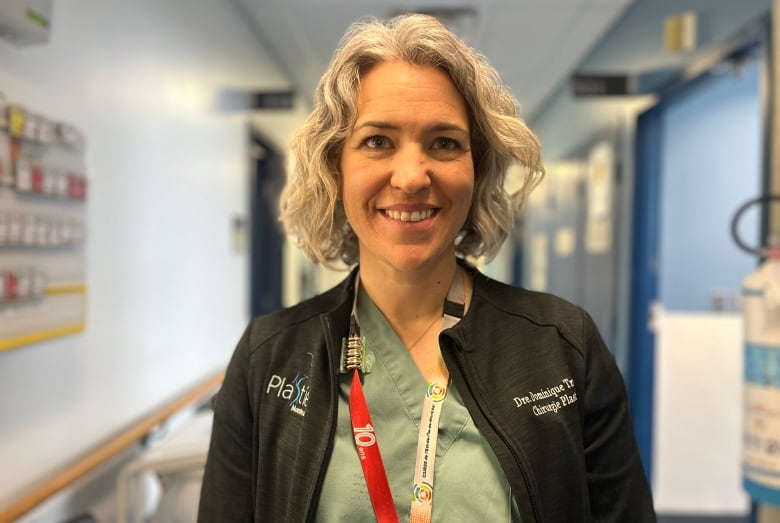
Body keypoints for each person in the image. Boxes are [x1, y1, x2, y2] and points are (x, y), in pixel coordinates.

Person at [198, 13, 655, 523]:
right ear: (336, 168)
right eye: (377, 141)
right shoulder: (267, 358)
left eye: (444, 143)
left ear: (476, 170)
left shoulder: (564, 346)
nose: (413, 177)